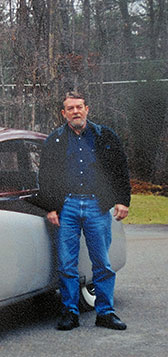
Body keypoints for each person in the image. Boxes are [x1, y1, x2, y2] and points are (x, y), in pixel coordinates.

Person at [38, 91, 131, 331]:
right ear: (63, 113)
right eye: (70, 108)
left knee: (101, 261)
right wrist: (51, 206)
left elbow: (120, 169)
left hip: (96, 206)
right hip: (67, 206)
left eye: (79, 107)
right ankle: (70, 312)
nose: (75, 112)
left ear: (87, 109)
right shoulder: (55, 140)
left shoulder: (105, 136)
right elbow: (46, 176)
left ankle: (106, 313)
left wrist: (122, 200)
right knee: (67, 263)